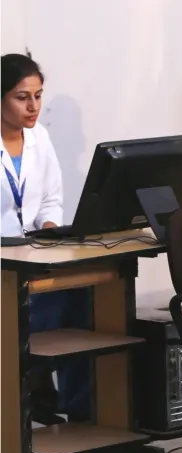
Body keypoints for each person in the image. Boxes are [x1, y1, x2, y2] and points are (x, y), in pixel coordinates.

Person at [2, 52, 90, 424]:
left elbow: (51, 199)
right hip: (5, 261)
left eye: (38, 96)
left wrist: (51, 228)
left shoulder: (39, 137)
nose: (33, 106)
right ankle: (31, 386)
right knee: (48, 303)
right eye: (22, 97)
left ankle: (82, 410)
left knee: (84, 294)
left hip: (32, 254)